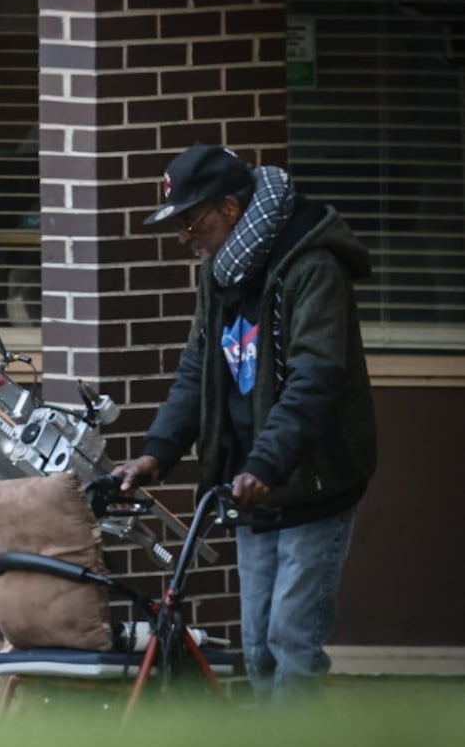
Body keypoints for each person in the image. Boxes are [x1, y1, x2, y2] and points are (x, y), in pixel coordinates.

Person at [112, 143, 376, 702]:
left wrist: (265, 463)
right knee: (257, 646)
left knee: (292, 641)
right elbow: (195, 372)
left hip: (310, 480)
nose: (187, 238)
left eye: (191, 221)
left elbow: (316, 379)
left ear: (229, 209)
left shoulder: (311, 266)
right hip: (251, 485)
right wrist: (157, 452)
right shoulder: (222, 275)